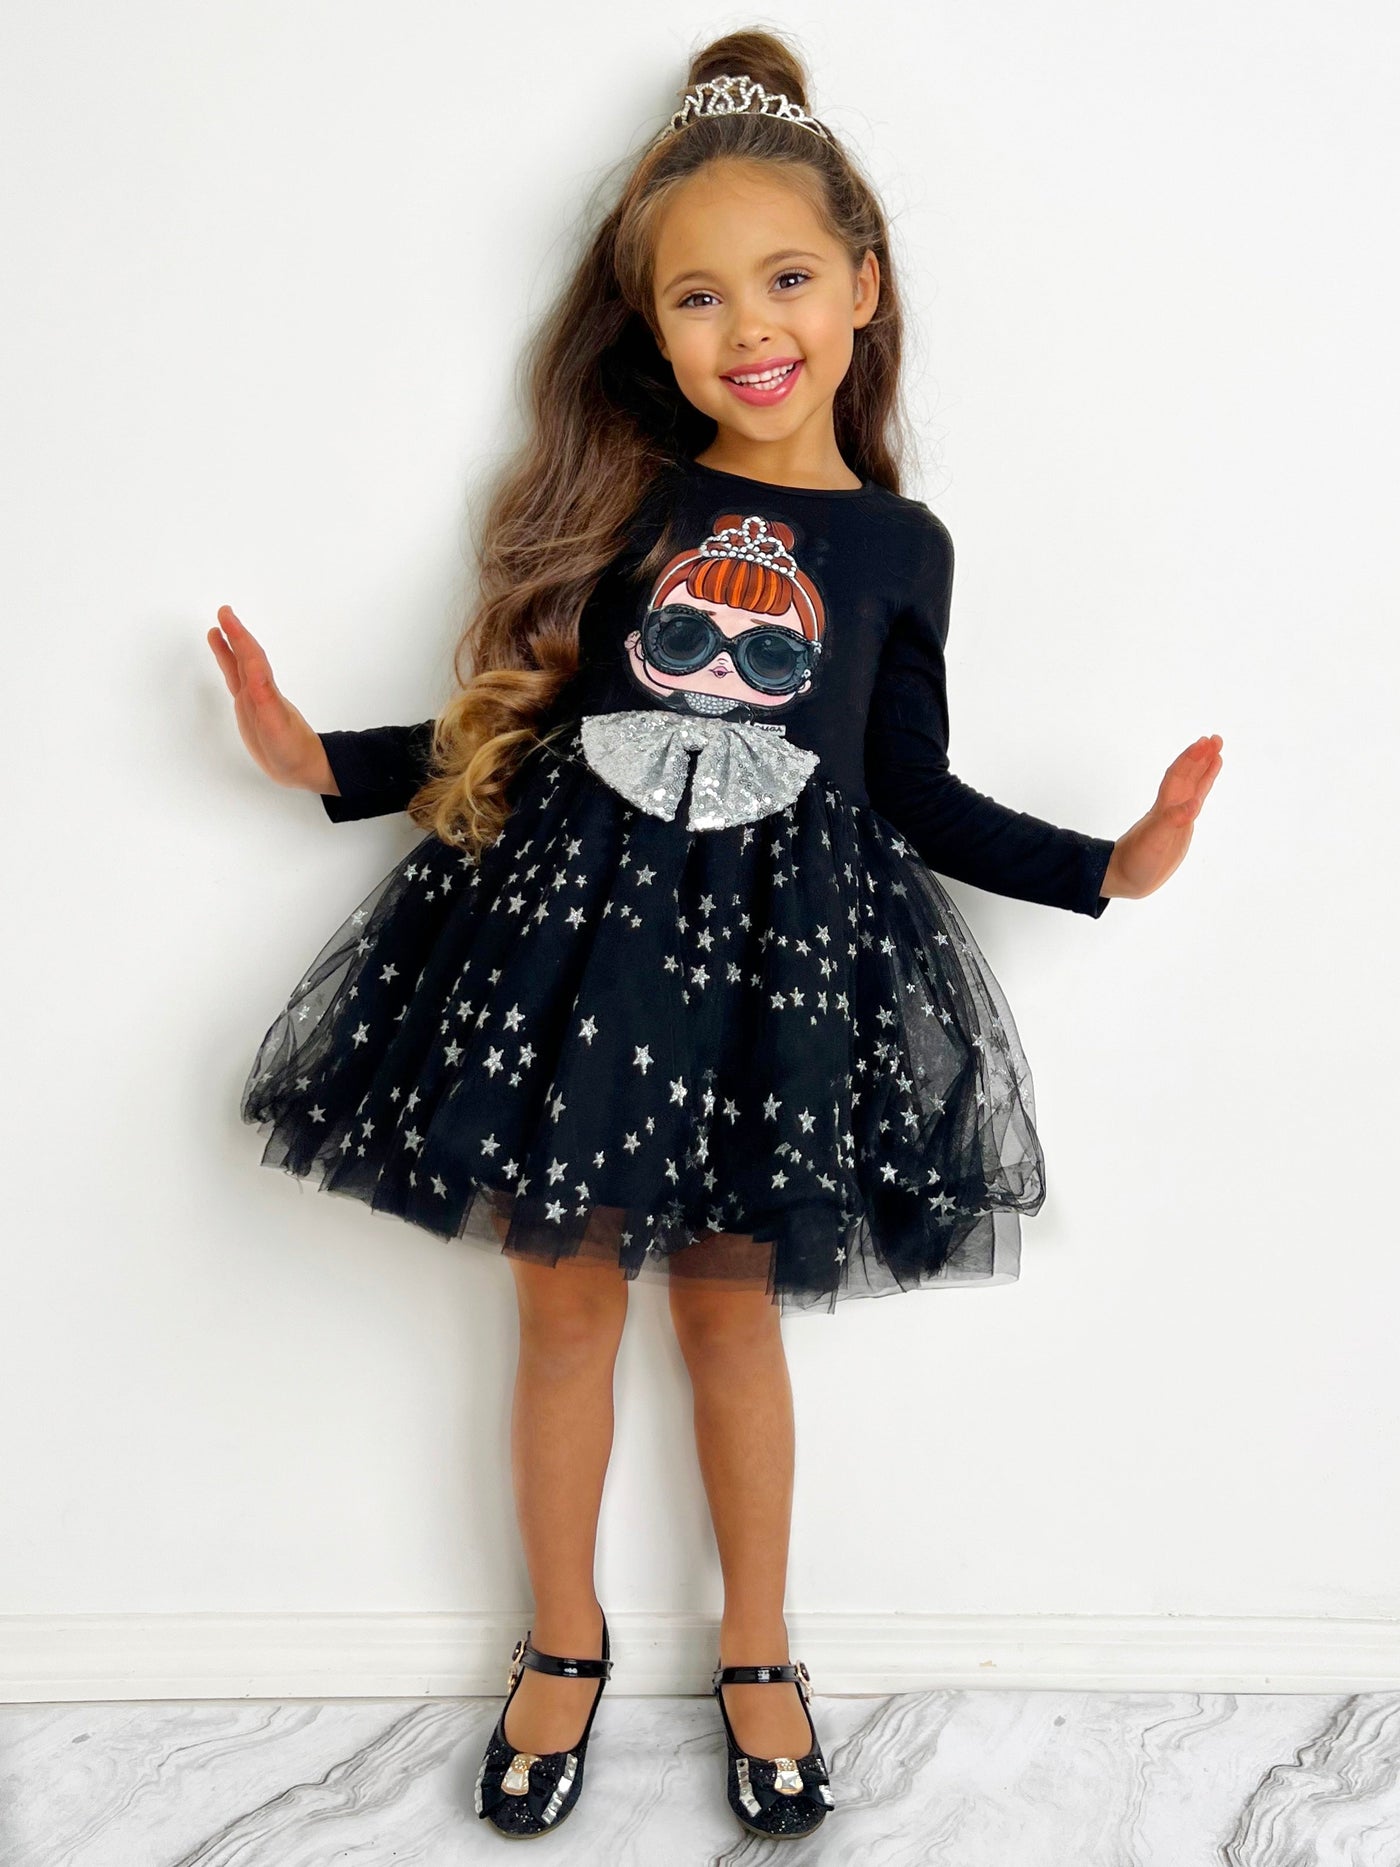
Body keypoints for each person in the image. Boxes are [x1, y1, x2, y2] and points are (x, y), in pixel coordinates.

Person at [208, 29, 1223, 1844]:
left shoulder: (897, 548)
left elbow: (910, 788)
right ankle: (562, 1640)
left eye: (786, 278)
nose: (750, 325)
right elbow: (518, 725)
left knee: (735, 1325)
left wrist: (1107, 866)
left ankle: (760, 1646)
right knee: (563, 1312)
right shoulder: (627, 501)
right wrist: (320, 764)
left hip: (773, 982)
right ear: (653, 330)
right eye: (699, 295)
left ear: (863, 289)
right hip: (582, 964)